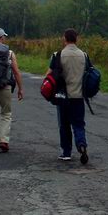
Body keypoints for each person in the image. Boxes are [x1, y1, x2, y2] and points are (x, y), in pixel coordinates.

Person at [46, 28, 89, 164]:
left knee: (64, 125)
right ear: (77, 39)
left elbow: (49, 75)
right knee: (78, 124)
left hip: (62, 96)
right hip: (79, 95)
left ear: (64, 39)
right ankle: (81, 145)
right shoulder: (84, 55)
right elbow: (89, 73)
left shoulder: (58, 55)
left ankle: (66, 152)